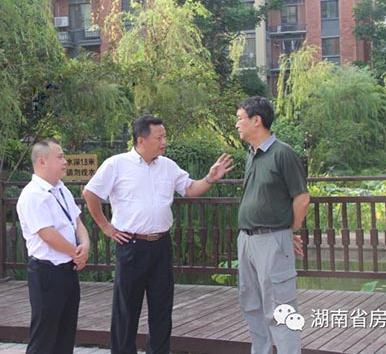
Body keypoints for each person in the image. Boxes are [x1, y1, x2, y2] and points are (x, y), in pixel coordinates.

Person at [82, 115, 234, 354]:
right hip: (131, 245)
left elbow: (189, 189)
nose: (164, 142)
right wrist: (105, 226)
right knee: (126, 309)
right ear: (141, 140)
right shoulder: (116, 164)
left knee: (162, 309)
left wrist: (210, 178)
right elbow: (90, 193)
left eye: (165, 136)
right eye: (159, 137)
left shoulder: (168, 166)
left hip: (161, 245)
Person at [235, 96, 310, 354]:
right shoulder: (251, 155)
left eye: (240, 119)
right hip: (247, 240)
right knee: (252, 305)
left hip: (272, 240)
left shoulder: (282, 153)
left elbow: (302, 198)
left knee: (280, 308)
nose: (237, 124)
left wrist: (289, 231)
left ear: (257, 120)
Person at [16, 139, 90, 354]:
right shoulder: (32, 195)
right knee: (44, 337)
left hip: (68, 270)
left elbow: (77, 222)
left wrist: (85, 245)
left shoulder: (61, 189)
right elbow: (47, 234)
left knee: (65, 335)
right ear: (42, 162)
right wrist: (75, 252)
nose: (65, 162)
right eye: (60, 157)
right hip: (47, 272)